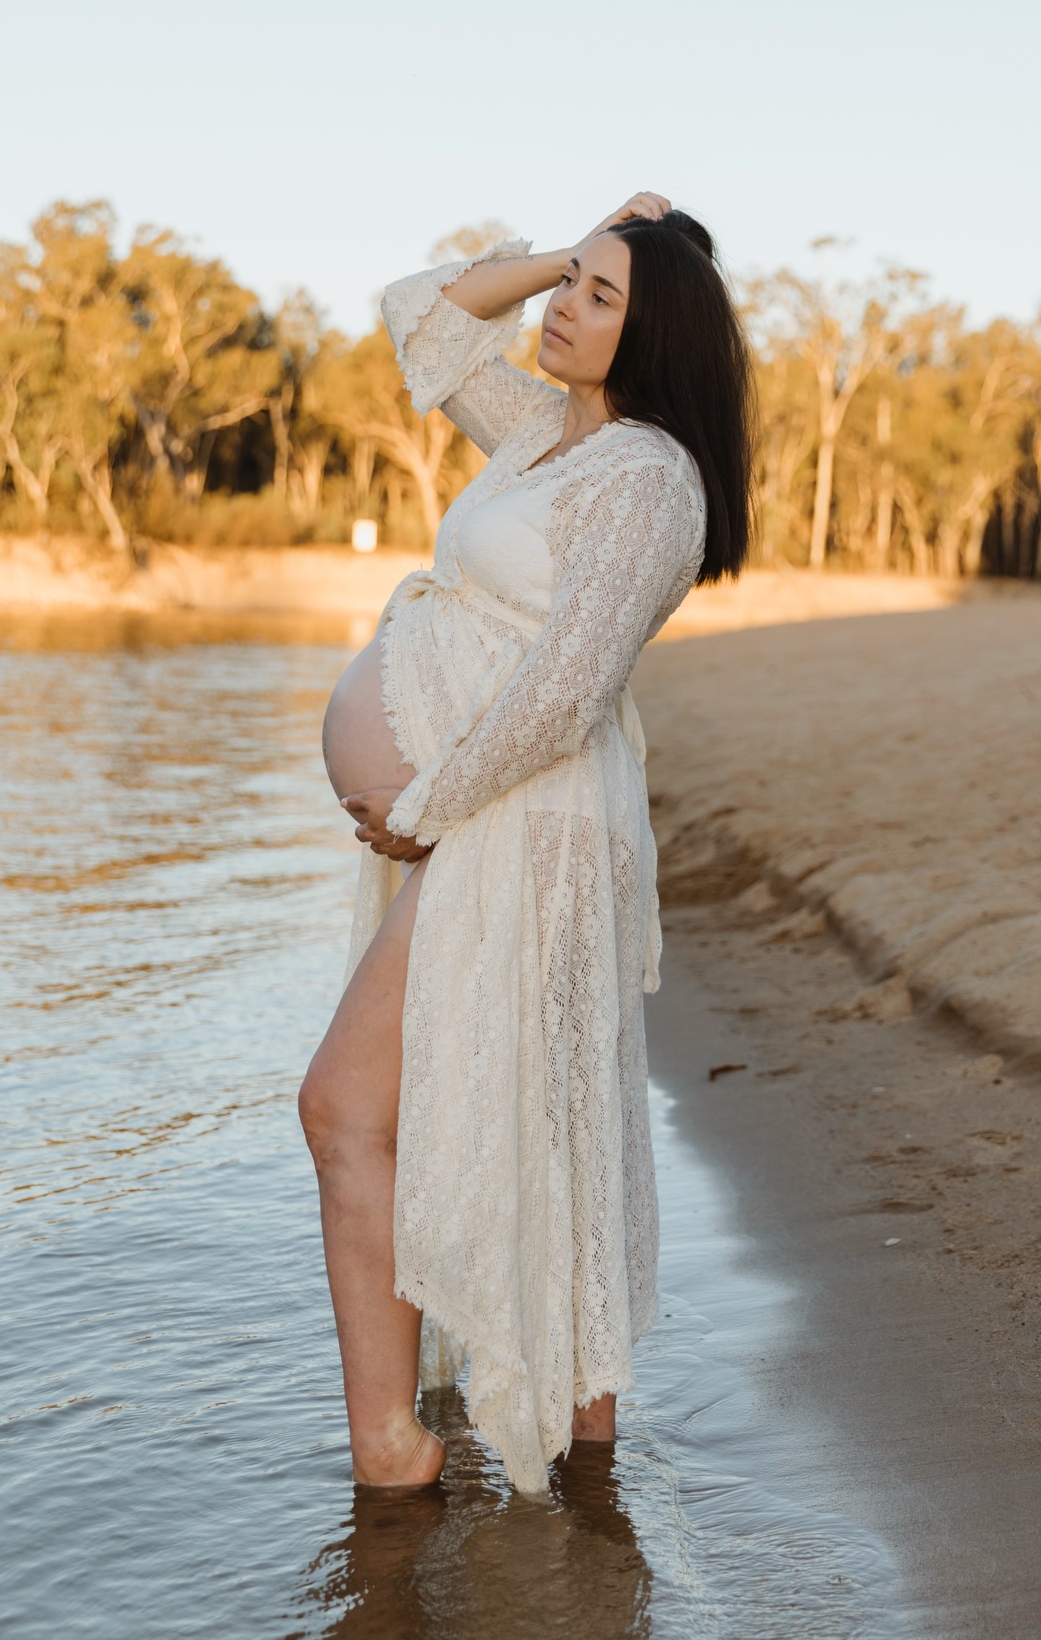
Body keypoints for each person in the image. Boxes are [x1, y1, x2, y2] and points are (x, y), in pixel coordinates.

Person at [300, 192, 755, 1496]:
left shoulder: (651, 480)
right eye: (570, 283)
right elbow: (420, 322)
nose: (562, 307)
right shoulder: (544, 434)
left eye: (601, 296)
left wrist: (423, 809)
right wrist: (584, 238)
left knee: (354, 1110)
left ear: (656, 332)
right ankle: (581, 1466)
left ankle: (397, 1459)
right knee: (528, 1136)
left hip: (525, 828)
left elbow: (566, 690)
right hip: (474, 816)